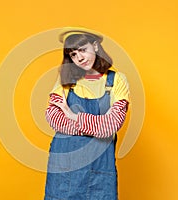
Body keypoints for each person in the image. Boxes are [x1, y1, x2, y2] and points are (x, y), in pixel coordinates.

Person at [44, 27, 130, 200]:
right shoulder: (66, 81)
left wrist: (73, 116)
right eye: (73, 54)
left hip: (99, 166)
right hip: (64, 166)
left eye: (83, 50)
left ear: (95, 46)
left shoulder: (116, 80)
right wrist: (95, 126)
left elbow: (112, 125)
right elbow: (53, 118)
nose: (79, 58)